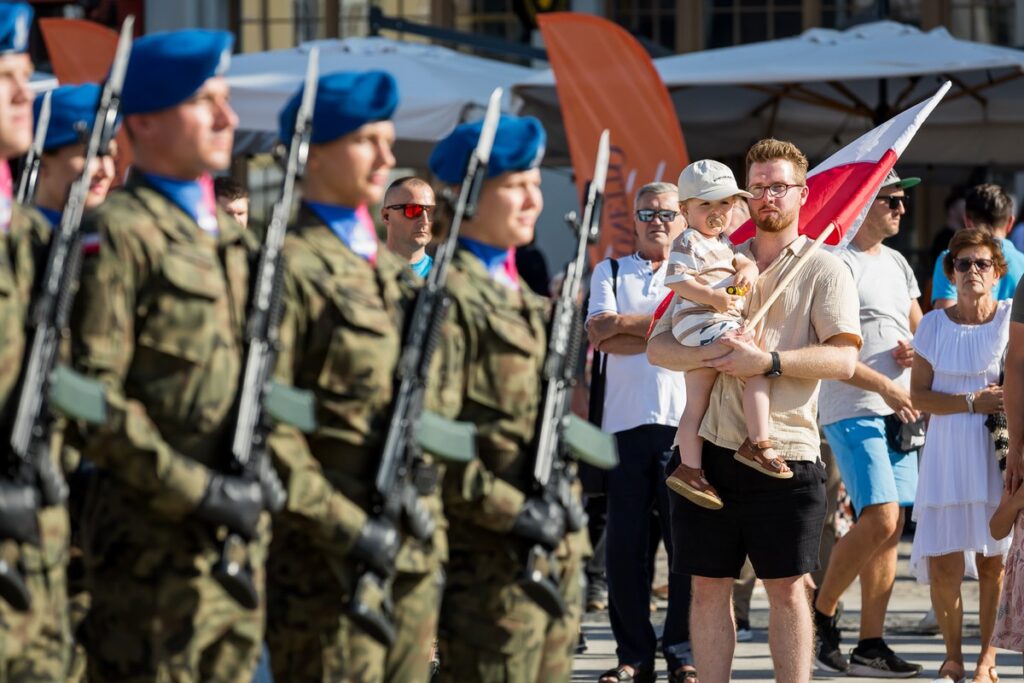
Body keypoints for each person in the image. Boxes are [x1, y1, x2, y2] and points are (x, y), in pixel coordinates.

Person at [69, 29, 278, 682]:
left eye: (227, 99)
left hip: (238, 550)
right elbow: (88, 397)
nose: (228, 118)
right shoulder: (117, 233)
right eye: (205, 101)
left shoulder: (238, 247)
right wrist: (202, 491)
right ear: (147, 120)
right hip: (151, 559)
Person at [647, 137, 861, 683]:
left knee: (789, 590)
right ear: (745, 195)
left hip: (784, 450)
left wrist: (766, 361)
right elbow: (657, 346)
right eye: (758, 186)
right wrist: (711, 353)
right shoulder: (710, 254)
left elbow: (841, 359)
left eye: (779, 186)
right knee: (706, 587)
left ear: (802, 193)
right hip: (709, 453)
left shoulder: (824, 268)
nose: (768, 196)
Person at [265, 70, 451, 683]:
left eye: (388, 140)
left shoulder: (381, 273)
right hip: (325, 559)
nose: (386, 156)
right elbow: (266, 420)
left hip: (401, 535)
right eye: (366, 140)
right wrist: (348, 523)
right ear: (315, 152)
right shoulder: (284, 265)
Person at [428, 114, 588, 683]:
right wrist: (517, 511)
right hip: (490, 577)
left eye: (536, 184)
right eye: (514, 185)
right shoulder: (447, 299)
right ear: (468, 195)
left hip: (547, 566)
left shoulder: (520, 296)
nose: (532, 200)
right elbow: (429, 451)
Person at [812, 169, 925, 676]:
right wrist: (886, 385)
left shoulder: (898, 262)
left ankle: (869, 644)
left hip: (899, 408)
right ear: (863, 202)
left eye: (904, 202)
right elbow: (832, 353)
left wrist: (917, 349)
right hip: (853, 405)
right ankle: (821, 615)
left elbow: (922, 328)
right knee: (879, 515)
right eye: (892, 201)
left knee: (891, 523)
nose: (902, 210)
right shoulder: (836, 263)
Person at [586, 181, 694, 683]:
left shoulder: (696, 272)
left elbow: (694, 334)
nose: (658, 222)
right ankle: (634, 655)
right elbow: (598, 332)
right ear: (634, 219)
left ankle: (682, 651)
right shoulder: (608, 270)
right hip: (623, 429)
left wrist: (630, 330)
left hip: (684, 429)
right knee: (625, 550)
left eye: (667, 214)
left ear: (683, 218)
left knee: (685, 549)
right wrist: (662, 330)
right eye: (648, 213)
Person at [0, 4, 73, 679]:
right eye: (5, 76)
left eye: (27, 74)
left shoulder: (28, 237)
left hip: (36, 552)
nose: (26, 93)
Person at [909, 228, 1011, 683]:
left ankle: (987, 660)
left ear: (997, 273)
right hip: (947, 452)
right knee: (945, 560)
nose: (972, 271)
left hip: (998, 454)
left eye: (982, 264)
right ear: (951, 272)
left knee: (995, 561)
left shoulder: (1012, 321)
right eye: (963, 263)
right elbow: (920, 397)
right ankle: (952, 659)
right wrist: (972, 401)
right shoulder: (932, 324)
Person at [664, 159, 788, 512]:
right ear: (685, 210)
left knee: (696, 404)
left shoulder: (721, 242)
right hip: (702, 320)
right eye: (706, 204)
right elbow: (675, 280)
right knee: (757, 366)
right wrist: (715, 297)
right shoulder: (688, 239)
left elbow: (739, 262)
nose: (717, 211)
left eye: (725, 202)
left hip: (705, 324)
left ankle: (690, 468)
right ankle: (758, 442)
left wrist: (747, 267)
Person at [931, 184, 1024, 310]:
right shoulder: (1021, 263)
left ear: (967, 221)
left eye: (983, 265)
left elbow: (945, 318)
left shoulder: (952, 259)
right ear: (1010, 223)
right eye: (966, 265)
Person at [382, 175, 435, 276]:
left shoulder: (444, 277)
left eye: (431, 211)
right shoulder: (367, 273)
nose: (425, 220)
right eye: (413, 210)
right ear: (386, 216)